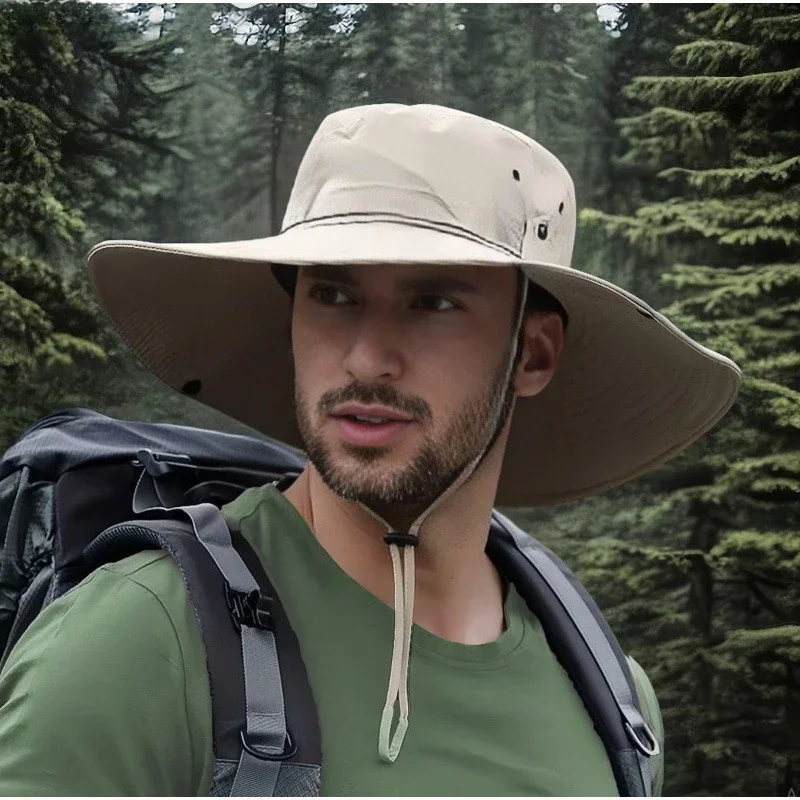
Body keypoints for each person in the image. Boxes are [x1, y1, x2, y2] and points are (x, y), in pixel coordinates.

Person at [0, 104, 740, 796]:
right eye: (332, 294)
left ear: (533, 354)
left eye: (433, 302)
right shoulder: (139, 649)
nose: (365, 358)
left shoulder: (614, 704)